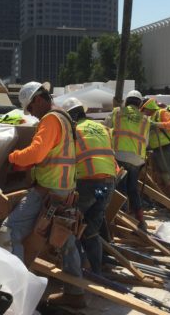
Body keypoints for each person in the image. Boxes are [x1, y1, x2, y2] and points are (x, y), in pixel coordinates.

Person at [0, 81, 84, 308]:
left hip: (47, 191)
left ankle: (16, 296)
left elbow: (36, 153)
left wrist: (13, 157)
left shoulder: (51, 120)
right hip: (65, 191)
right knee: (66, 239)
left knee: (8, 231)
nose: (31, 114)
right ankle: (75, 294)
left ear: (37, 100)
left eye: (30, 108)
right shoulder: (65, 118)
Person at [62, 98, 116, 275]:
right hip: (107, 184)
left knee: (71, 225)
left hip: (89, 182)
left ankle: (80, 270)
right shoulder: (102, 127)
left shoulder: (75, 130)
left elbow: (67, 158)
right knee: (92, 230)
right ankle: (97, 272)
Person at [104, 90, 150, 229]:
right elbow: (146, 142)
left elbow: (105, 129)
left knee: (120, 188)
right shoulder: (145, 119)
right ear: (140, 104)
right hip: (137, 159)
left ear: (127, 101)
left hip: (119, 155)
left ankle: (121, 219)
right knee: (133, 189)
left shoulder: (117, 112)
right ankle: (141, 221)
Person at [141, 98, 170, 207]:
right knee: (159, 176)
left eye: (144, 110)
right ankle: (166, 202)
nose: (143, 113)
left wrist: (157, 125)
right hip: (157, 150)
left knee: (167, 176)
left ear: (148, 107)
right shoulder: (151, 117)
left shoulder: (162, 112)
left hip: (165, 149)